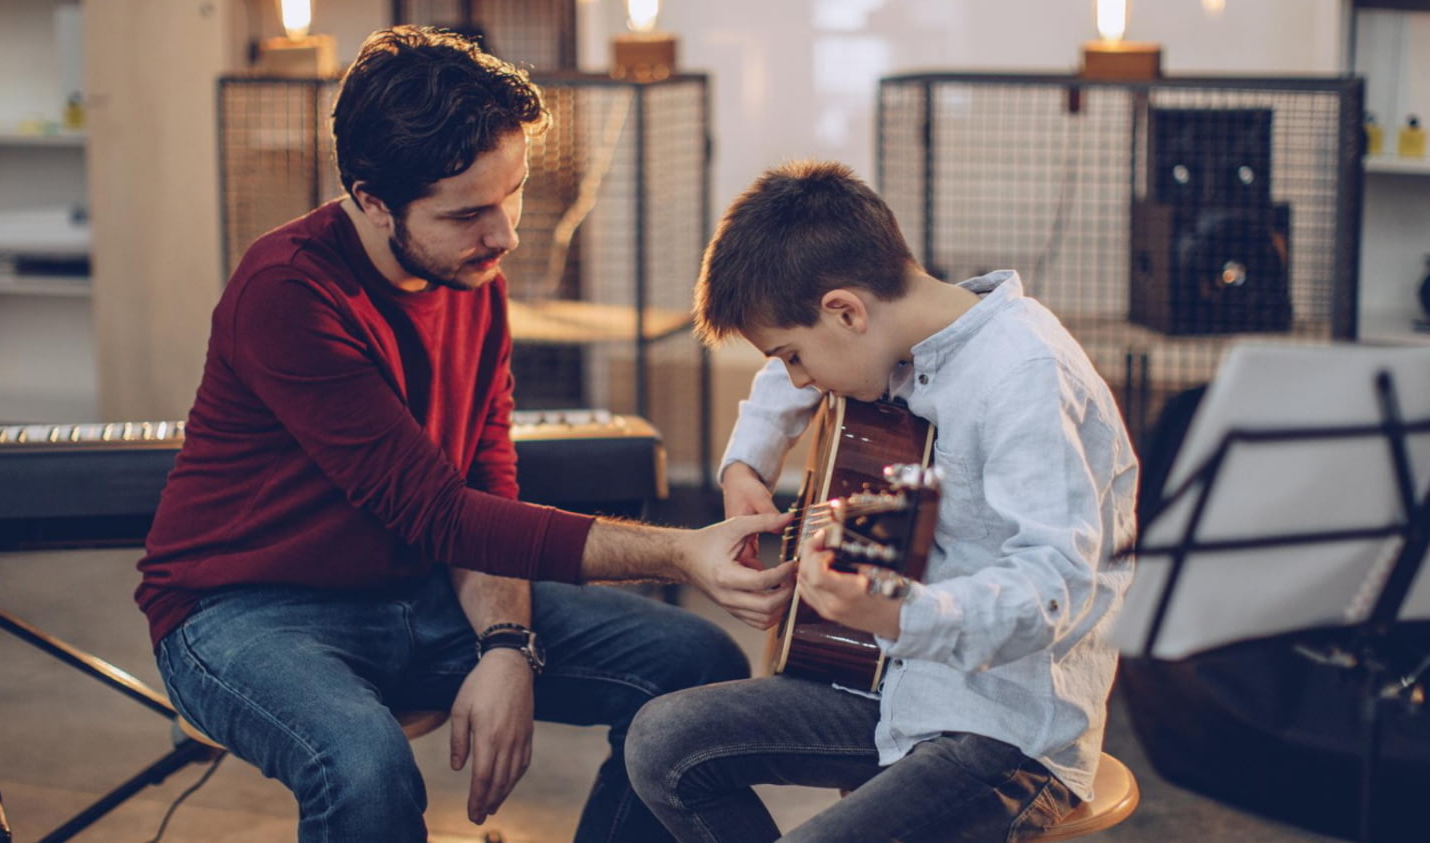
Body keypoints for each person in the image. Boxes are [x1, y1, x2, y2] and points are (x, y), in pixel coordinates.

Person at [135, 26, 793, 843]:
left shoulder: (470, 267)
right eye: (470, 212)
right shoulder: (286, 292)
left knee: (697, 672)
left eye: (512, 194)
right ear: (372, 200)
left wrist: (508, 643)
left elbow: (483, 473)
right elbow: (442, 515)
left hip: (417, 591)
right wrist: (679, 551)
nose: (506, 234)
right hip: (245, 610)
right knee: (363, 766)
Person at [625, 160, 1139, 842]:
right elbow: (805, 369)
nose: (799, 379)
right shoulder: (894, 338)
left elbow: (1053, 590)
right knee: (663, 742)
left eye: (793, 357)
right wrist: (748, 458)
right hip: (890, 687)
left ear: (846, 310)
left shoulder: (1024, 376)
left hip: (1005, 733)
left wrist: (895, 612)